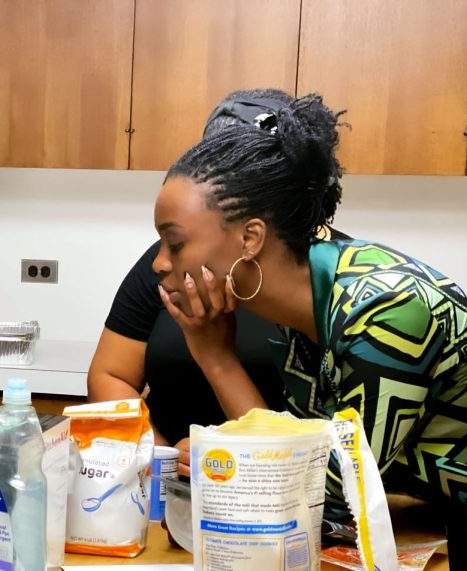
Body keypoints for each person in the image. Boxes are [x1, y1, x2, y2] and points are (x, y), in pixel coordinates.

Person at [152, 90, 467, 569]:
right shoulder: (304, 311)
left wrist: (224, 468)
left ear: (250, 237)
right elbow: (297, 463)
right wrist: (213, 353)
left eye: (174, 242)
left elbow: (323, 498)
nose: (160, 263)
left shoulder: (384, 310)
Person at [89, 89, 339, 467]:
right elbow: (109, 376)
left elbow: (327, 462)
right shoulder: (166, 266)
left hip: (277, 496)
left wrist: (223, 461)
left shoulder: (327, 287)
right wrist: (162, 456)